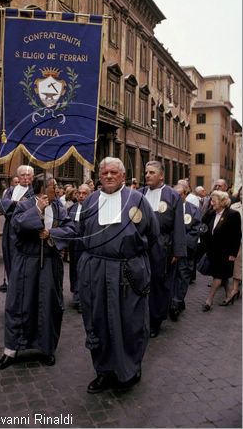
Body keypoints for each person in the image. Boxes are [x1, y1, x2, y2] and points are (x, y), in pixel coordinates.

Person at [78, 157, 160, 393]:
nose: (109, 176)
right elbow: (82, 232)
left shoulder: (138, 200)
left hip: (127, 273)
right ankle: (103, 371)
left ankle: (130, 369)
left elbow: (152, 236)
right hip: (96, 272)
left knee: (130, 323)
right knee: (99, 321)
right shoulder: (91, 200)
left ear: (123, 176)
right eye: (105, 173)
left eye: (114, 172)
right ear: (99, 176)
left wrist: (142, 268)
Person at [0, 174, 76, 370]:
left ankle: (47, 348)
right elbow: (17, 225)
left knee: (49, 305)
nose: (57, 190)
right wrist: (37, 210)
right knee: (19, 304)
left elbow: (71, 229)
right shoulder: (24, 205)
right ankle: (11, 349)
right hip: (26, 264)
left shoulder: (58, 207)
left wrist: (52, 234)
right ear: (41, 188)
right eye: (53, 186)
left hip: (50, 263)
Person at [140, 161, 187, 338]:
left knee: (159, 284)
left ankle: (155, 320)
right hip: (141, 246)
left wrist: (177, 251)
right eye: (146, 172)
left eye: (151, 172)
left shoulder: (172, 196)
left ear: (161, 175)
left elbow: (179, 225)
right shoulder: (139, 194)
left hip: (162, 247)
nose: (147, 175)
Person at [201, 190, 241, 311]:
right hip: (213, 251)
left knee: (218, 276)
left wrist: (233, 254)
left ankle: (209, 300)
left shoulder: (233, 215)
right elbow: (203, 226)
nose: (211, 203)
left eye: (214, 201)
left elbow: (236, 235)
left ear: (223, 202)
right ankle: (230, 295)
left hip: (226, 252)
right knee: (222, 275)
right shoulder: (211, 213)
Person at [170, 183, 202, 319]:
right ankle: (173, 300)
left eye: (180, 194)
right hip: (171, 251)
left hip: (186, 251)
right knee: (171, 276)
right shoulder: (168, 209)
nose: (177, 197)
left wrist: (182, 245)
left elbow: (195, 230)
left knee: (183, 277)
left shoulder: (193, 209)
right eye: (175, 195)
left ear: (185, 194)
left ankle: (176, 304)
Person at [0, 165, 35, 279]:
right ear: (18, 177)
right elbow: (2, 205)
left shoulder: (34, 191)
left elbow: (32, 209)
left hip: (25, 231)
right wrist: (16, 204)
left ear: (32, 177)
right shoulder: (11, 190)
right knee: (10, 255)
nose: (25, 178)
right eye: (22, 175)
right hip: (10, 229)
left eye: (28, 175)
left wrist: (15, 206)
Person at [67, 183, 91, 311]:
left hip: (86, 245)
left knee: (85, 272)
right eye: (79, 193)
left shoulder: (93, 208)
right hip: (73, 244)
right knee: (74, 270)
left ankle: (83, 299)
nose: (81, 196)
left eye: (84, 193)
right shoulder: (71, 208)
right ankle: (76, 295)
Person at [227, 186, 242, 302]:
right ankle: (235, 289)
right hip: (239, 241)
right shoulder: (234, 207)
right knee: (237, 266)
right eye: (241, 194)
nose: (242, 196)